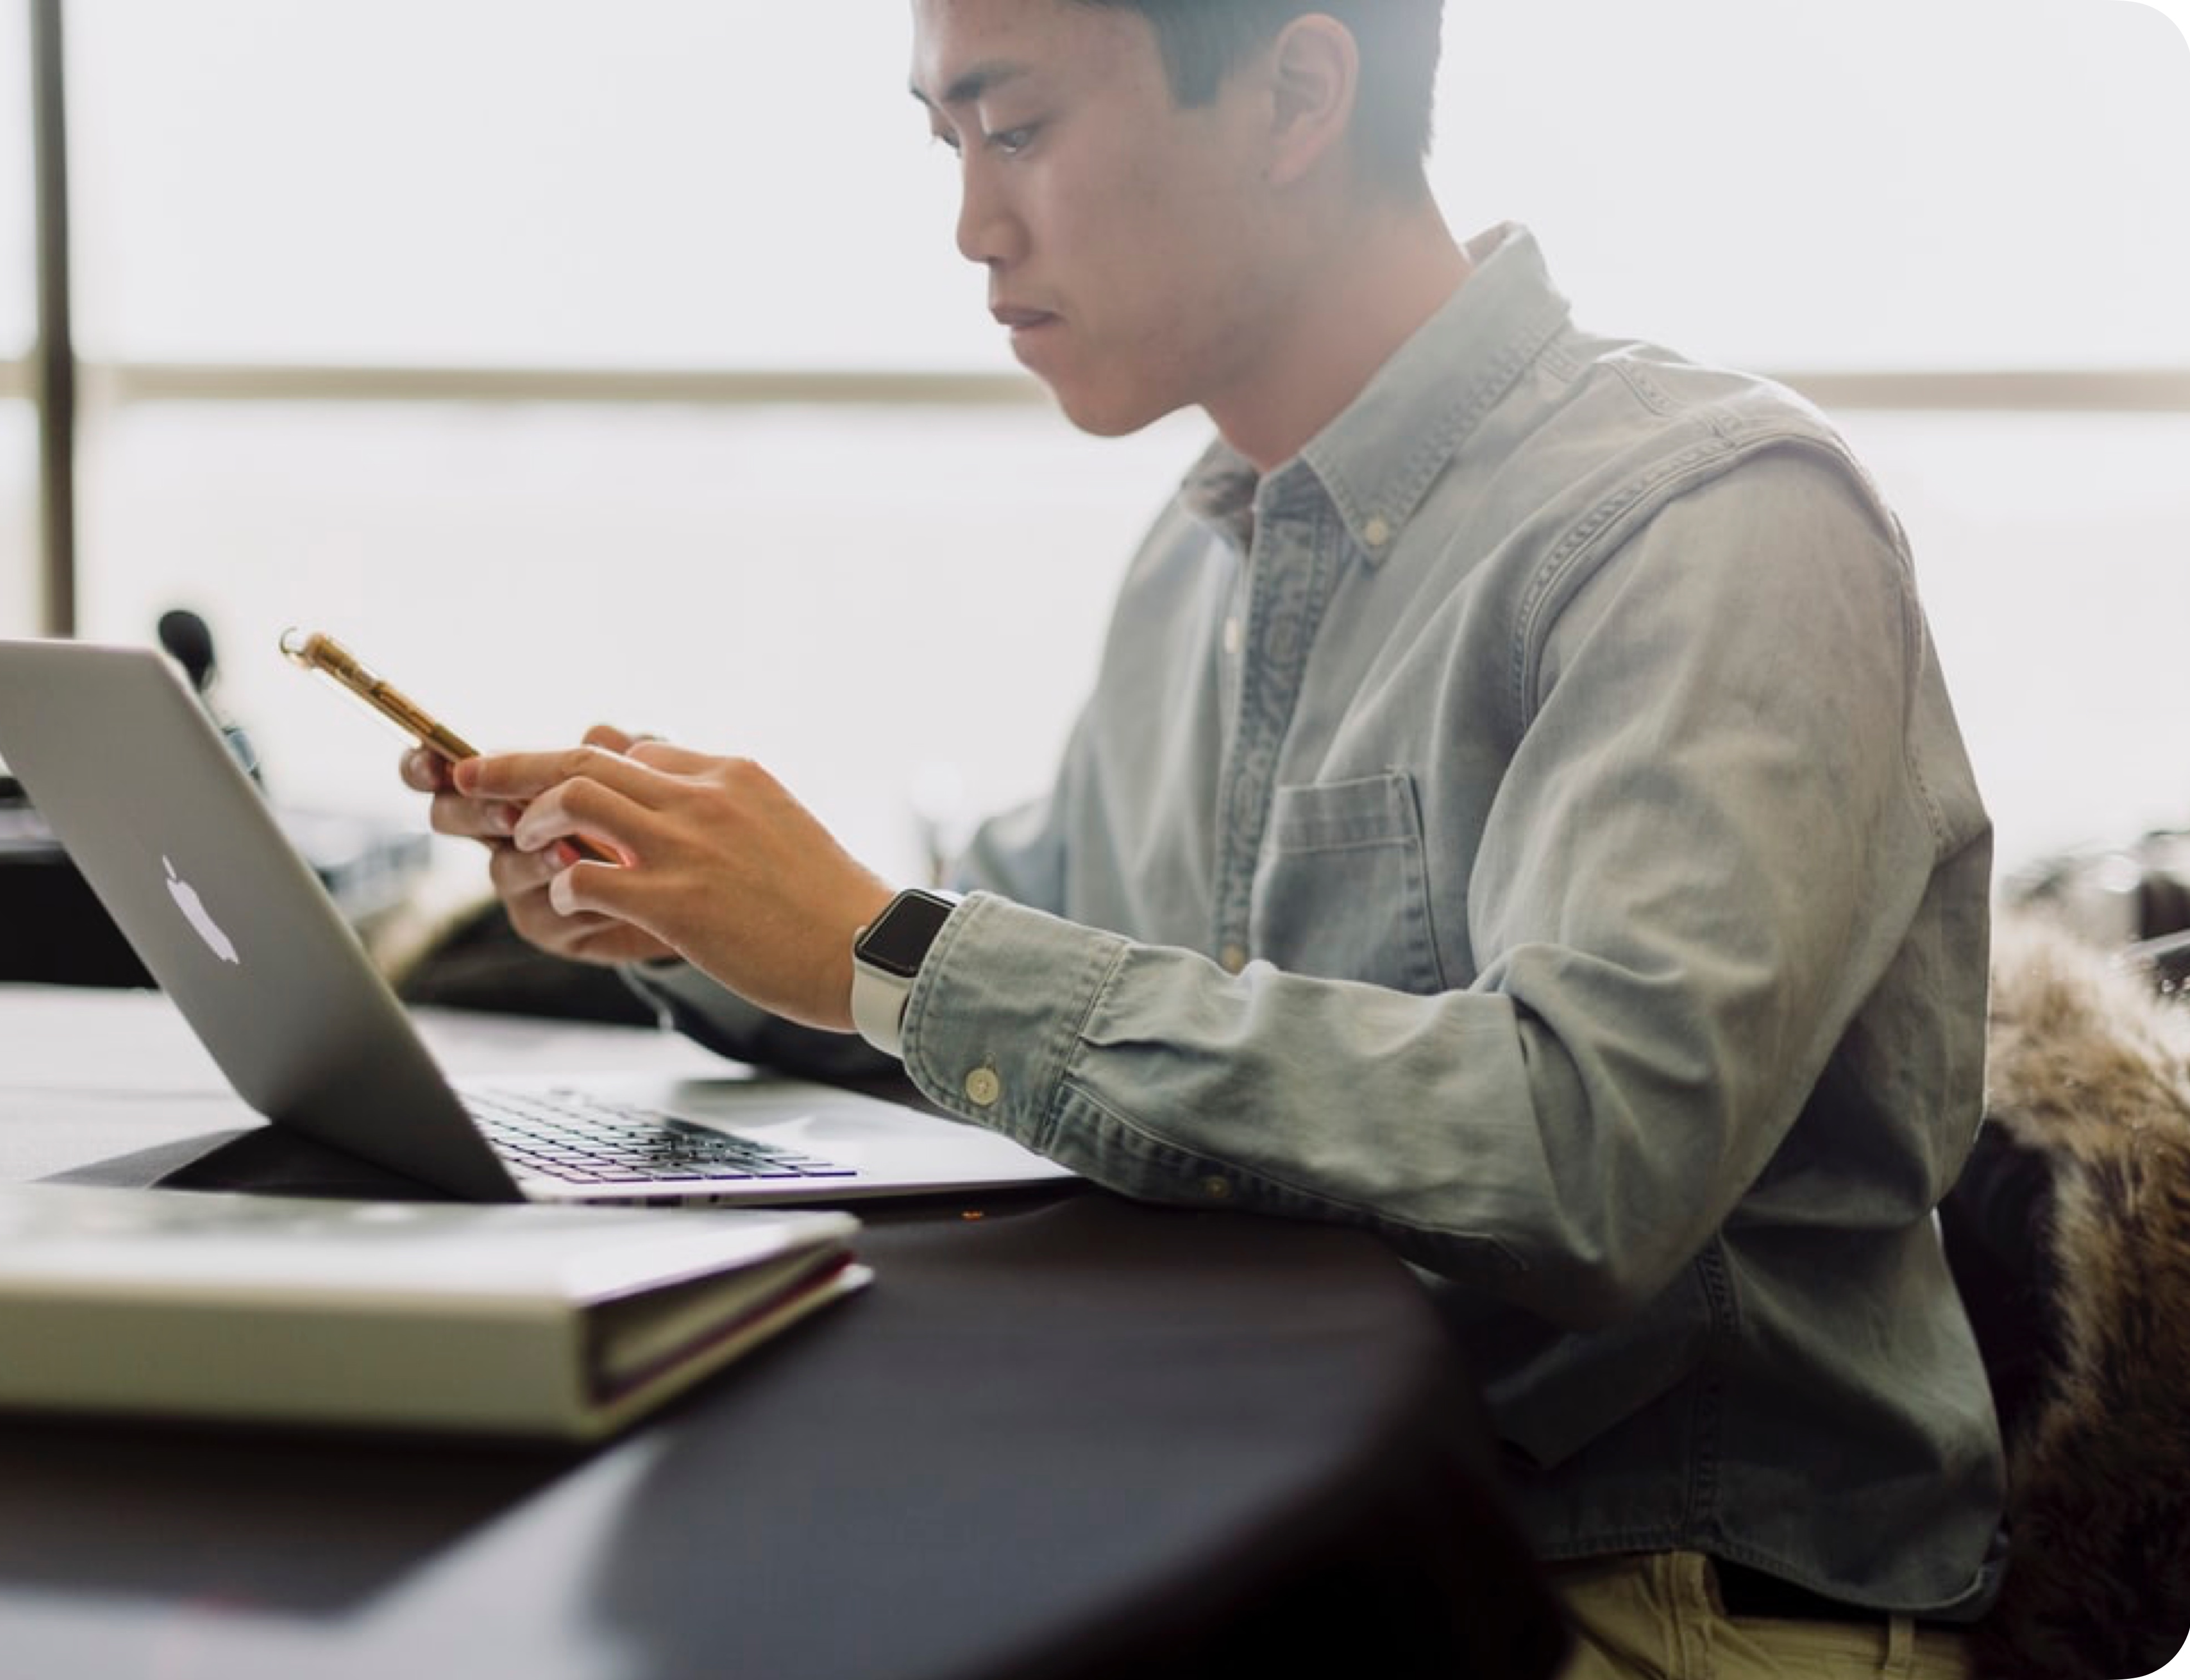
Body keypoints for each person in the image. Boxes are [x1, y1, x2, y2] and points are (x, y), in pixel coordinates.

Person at [406, 2, 2006, 1673]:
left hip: (1639, 1593)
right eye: (944, 146)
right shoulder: (1200, 568)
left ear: (1298, 93)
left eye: (1012, 129)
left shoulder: (1711, 525)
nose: (971, 228)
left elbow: (1584, 1153)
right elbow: (1015, 1002)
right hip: (1291, 1521)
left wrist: (885, 951)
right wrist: (710, 923)